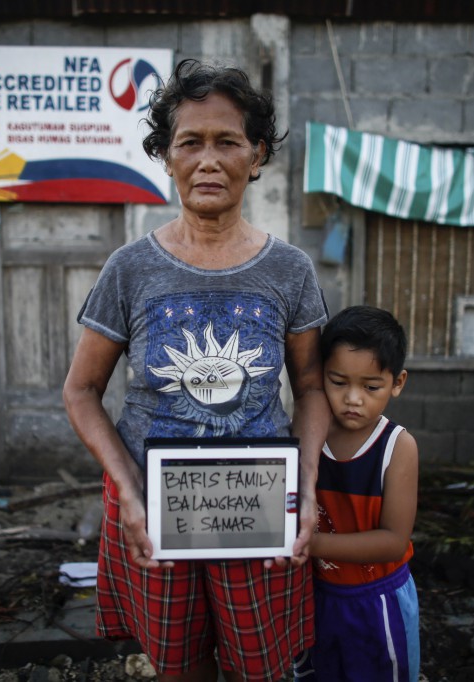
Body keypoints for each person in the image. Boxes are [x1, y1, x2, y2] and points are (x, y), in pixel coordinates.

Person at [62, 58, 331, 682]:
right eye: (190, 142)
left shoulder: (290, 270)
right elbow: (81, 392)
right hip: (154, 504)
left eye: (228, 141)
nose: (208, 160)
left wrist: (309, 487)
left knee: (258, 666)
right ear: (167, 156)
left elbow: (312, 385)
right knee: (177, 666)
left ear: (256, 155)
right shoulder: (130, 269)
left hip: (258, 504)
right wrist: (127, 489)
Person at [294, 305, 420, 681]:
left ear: (397, 383)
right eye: (338, 381)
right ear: (321, 377)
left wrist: (308, 544)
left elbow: (393, 542)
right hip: (315, 595)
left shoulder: (397, 447)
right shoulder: (305, 438)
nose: (353, 398)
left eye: (371, 387)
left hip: (377, 599)